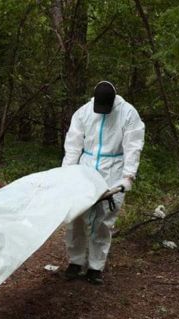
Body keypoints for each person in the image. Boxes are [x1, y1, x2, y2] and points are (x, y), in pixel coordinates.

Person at [61, 81, 145, 284]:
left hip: (113, 169)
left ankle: (95, 267)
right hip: (86, 168)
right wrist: (66, 172)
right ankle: (75, 261)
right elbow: (73, 144)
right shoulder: (84, 112)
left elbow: (133, 146)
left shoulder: (128, 114)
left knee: (104, 220)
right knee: (76, 216)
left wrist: (128, 176)